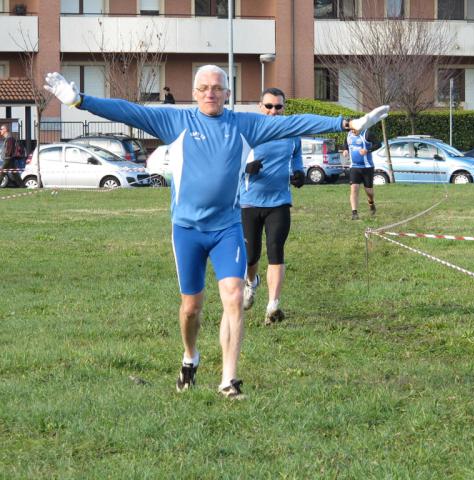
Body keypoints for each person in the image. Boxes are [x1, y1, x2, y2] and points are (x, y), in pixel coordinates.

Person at [44, 66, 389, 399]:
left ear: (228, 93)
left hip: (226, 228)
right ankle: (190, 357)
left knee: (235, 298)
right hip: (187, 230)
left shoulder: (243, 124)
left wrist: (347, 122)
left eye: (217, 87)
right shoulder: (175, 121)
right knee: (191, 308)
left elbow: (293, 123)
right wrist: (80, 101)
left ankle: (229, 380)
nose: (211, 93)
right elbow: (127, 111)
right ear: (194, 93)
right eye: (204, 88)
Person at [240, 87, 305, 325]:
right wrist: (245, 168)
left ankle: (273, 306)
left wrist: (299, 172)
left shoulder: (290, 131)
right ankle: (251, 282)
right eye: (269, 106)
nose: (273, 111)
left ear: (284, 108)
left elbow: (296, 155)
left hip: (279, 201)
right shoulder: (250, 131)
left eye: (278, 106)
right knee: (251, 256)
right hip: (249, 201)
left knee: (276, 249)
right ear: (260, 107)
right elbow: (230, 160)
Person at [344, 127, 376, 220]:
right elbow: (346, 143)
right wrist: (345, 149)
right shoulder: (349, 134)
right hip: (354, 167)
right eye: (352, 129)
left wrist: (367, 150)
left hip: (367, 167)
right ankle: (354, 213)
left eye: (355, 129)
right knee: (354, 188)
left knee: (369, 191)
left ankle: (371, 203)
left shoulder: (367, 133)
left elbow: (378, 144)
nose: (353, 131)